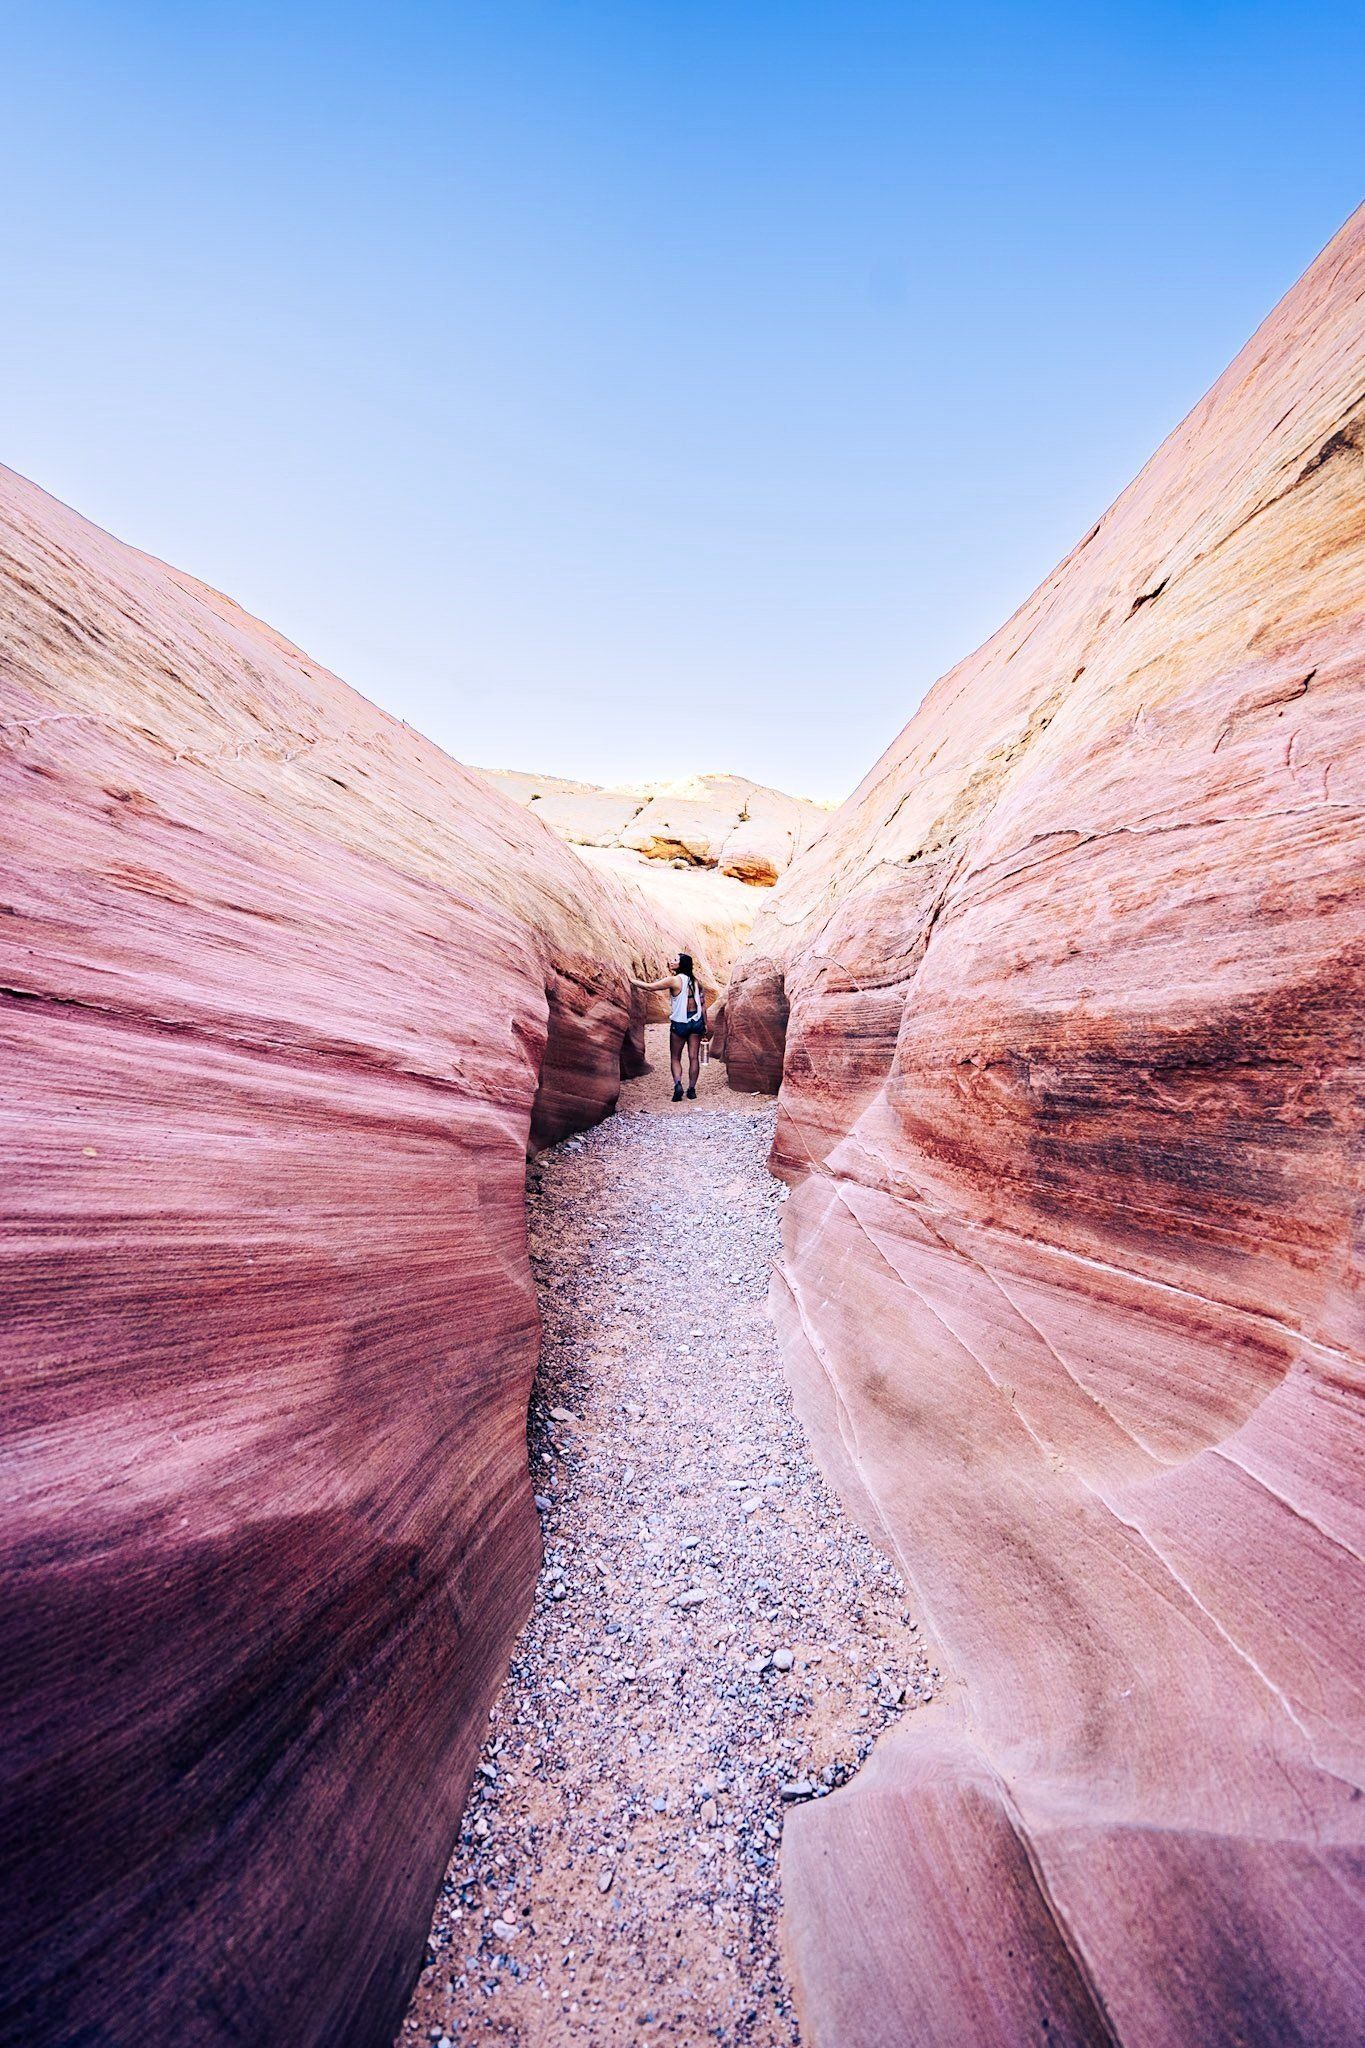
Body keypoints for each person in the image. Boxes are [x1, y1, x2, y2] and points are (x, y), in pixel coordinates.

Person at [635, 953, 708, 1101]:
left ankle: (678, 1085)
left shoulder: (674, 980)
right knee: (694, 1057)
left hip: (679, 1024)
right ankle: (692, 1089)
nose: (671, 961)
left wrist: (631, 980)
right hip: (696, 1022)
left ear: (681, 964)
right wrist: (705, 1025)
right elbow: (703, 1005)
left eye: (675, 960)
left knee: (675, 1057)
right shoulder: (697, 982)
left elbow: (650, 987)